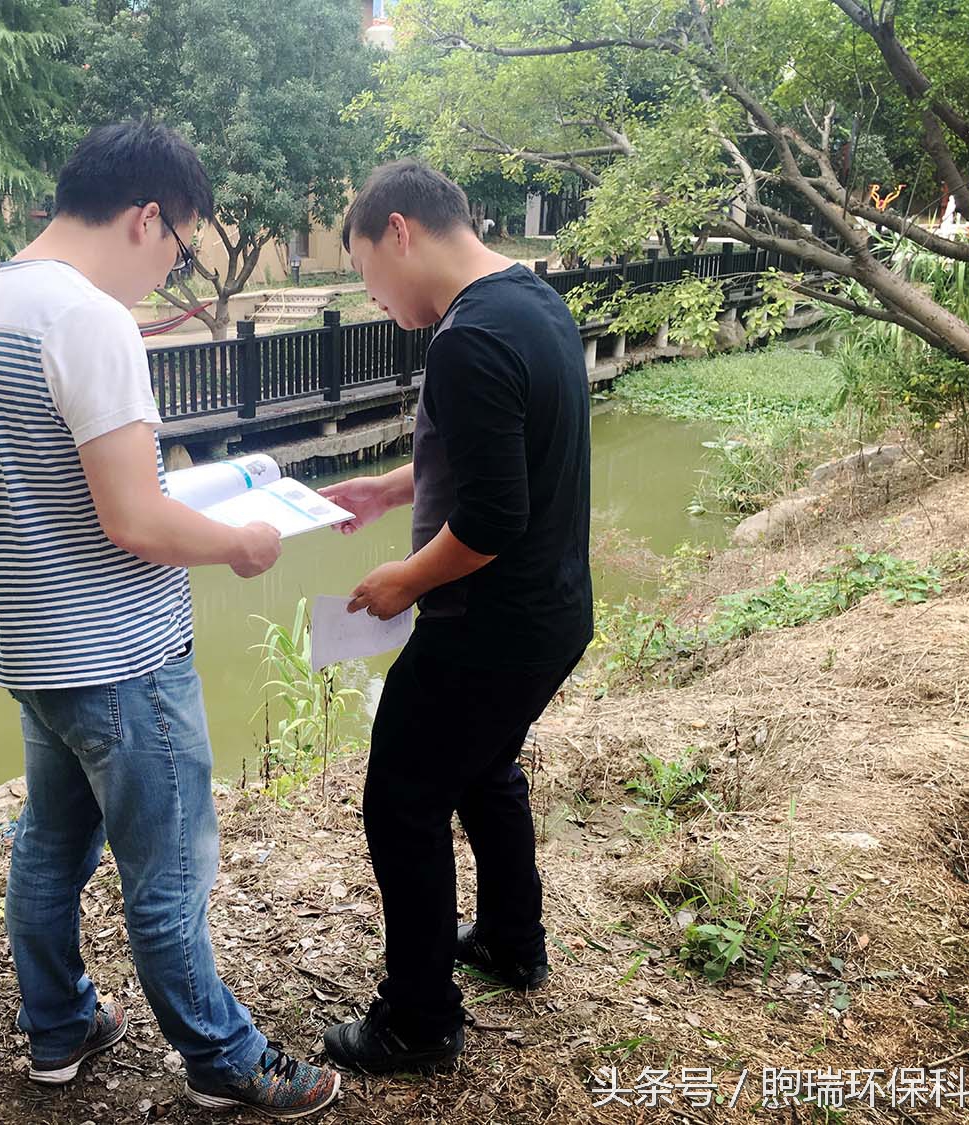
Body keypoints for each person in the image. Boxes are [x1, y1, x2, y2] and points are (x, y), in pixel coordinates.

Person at [0, 121, 341, 1118]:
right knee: (168, 875)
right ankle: (223, 1059)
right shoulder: (88, 320)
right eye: (180, 248)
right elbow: (131, 518)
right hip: (120, 656)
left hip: (36, 649)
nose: (171, 270)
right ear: (146, 217)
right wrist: (240, 542)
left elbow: (64, 493)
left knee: (50, 848)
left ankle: (59, 1026)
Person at [318, 159, 593, 1073]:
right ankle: (513, 940)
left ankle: (419, 1020)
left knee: (402, 798)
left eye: (365, 270)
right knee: (483, 768)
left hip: (486, 625)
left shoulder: (467, 340)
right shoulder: (530, 301)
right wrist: (387, 488)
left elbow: (491, 517)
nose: (371, 294)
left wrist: (403, 579)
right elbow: (496, 450)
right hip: (553, 613)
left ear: (399, 232)